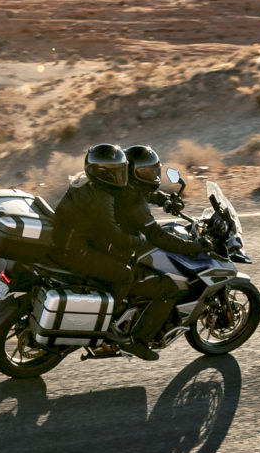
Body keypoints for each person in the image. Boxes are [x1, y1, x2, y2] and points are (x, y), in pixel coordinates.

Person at [49, 142, 186, 359]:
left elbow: (130, 194)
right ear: (106, 173)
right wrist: (139, 241)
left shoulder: (87, 184)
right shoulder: (102, 198)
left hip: (68, 242)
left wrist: (162, 199)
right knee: (126, 275)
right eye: (118, 171)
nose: (122, 176)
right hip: (76, 251)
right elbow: (114, 234)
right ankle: (111, 329)